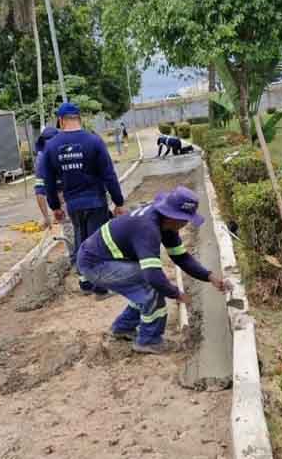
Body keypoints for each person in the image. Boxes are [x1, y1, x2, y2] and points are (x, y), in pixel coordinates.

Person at [77, 186, 231, 354]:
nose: (186, 223)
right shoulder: (147, 228)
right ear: (174, 216)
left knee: (143, 286)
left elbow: (182, 258)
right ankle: (149, 340)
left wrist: (209, 276)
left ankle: (123, 328)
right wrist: (176, 293)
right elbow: (153, 277)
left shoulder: (166, 224)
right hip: (96, 264)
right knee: (152, 286)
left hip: (103, 259)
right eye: (185, 219)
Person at [44, 103, 126, 299]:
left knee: (81, 239)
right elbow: (109, 175)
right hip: (96, 201)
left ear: (61, 120)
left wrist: (55, 206)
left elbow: (48, 181)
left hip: (73, 203)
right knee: (98, 241)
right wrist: (118, 201)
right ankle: (99, 288)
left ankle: (85, 282)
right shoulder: (94, 141)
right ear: (79, 118)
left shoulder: (51, 146)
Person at [33, 126, 61, 229]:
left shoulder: (42, 160)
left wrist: (46, 217)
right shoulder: (42, 161)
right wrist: (46, 217)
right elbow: (40, 191)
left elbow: (40, 192)